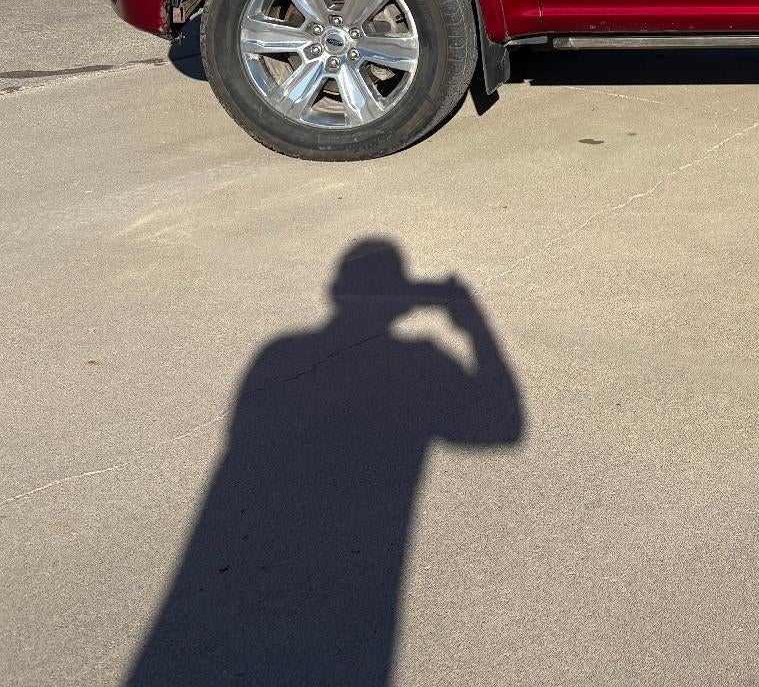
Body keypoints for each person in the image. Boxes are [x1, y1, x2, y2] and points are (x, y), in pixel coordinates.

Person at [125, 239, 523, 686]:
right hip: (358, 588)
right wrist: (474, 324)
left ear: (335, 291)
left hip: (224, 576)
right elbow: (504, 428)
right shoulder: (420, 363)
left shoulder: (278, 354)